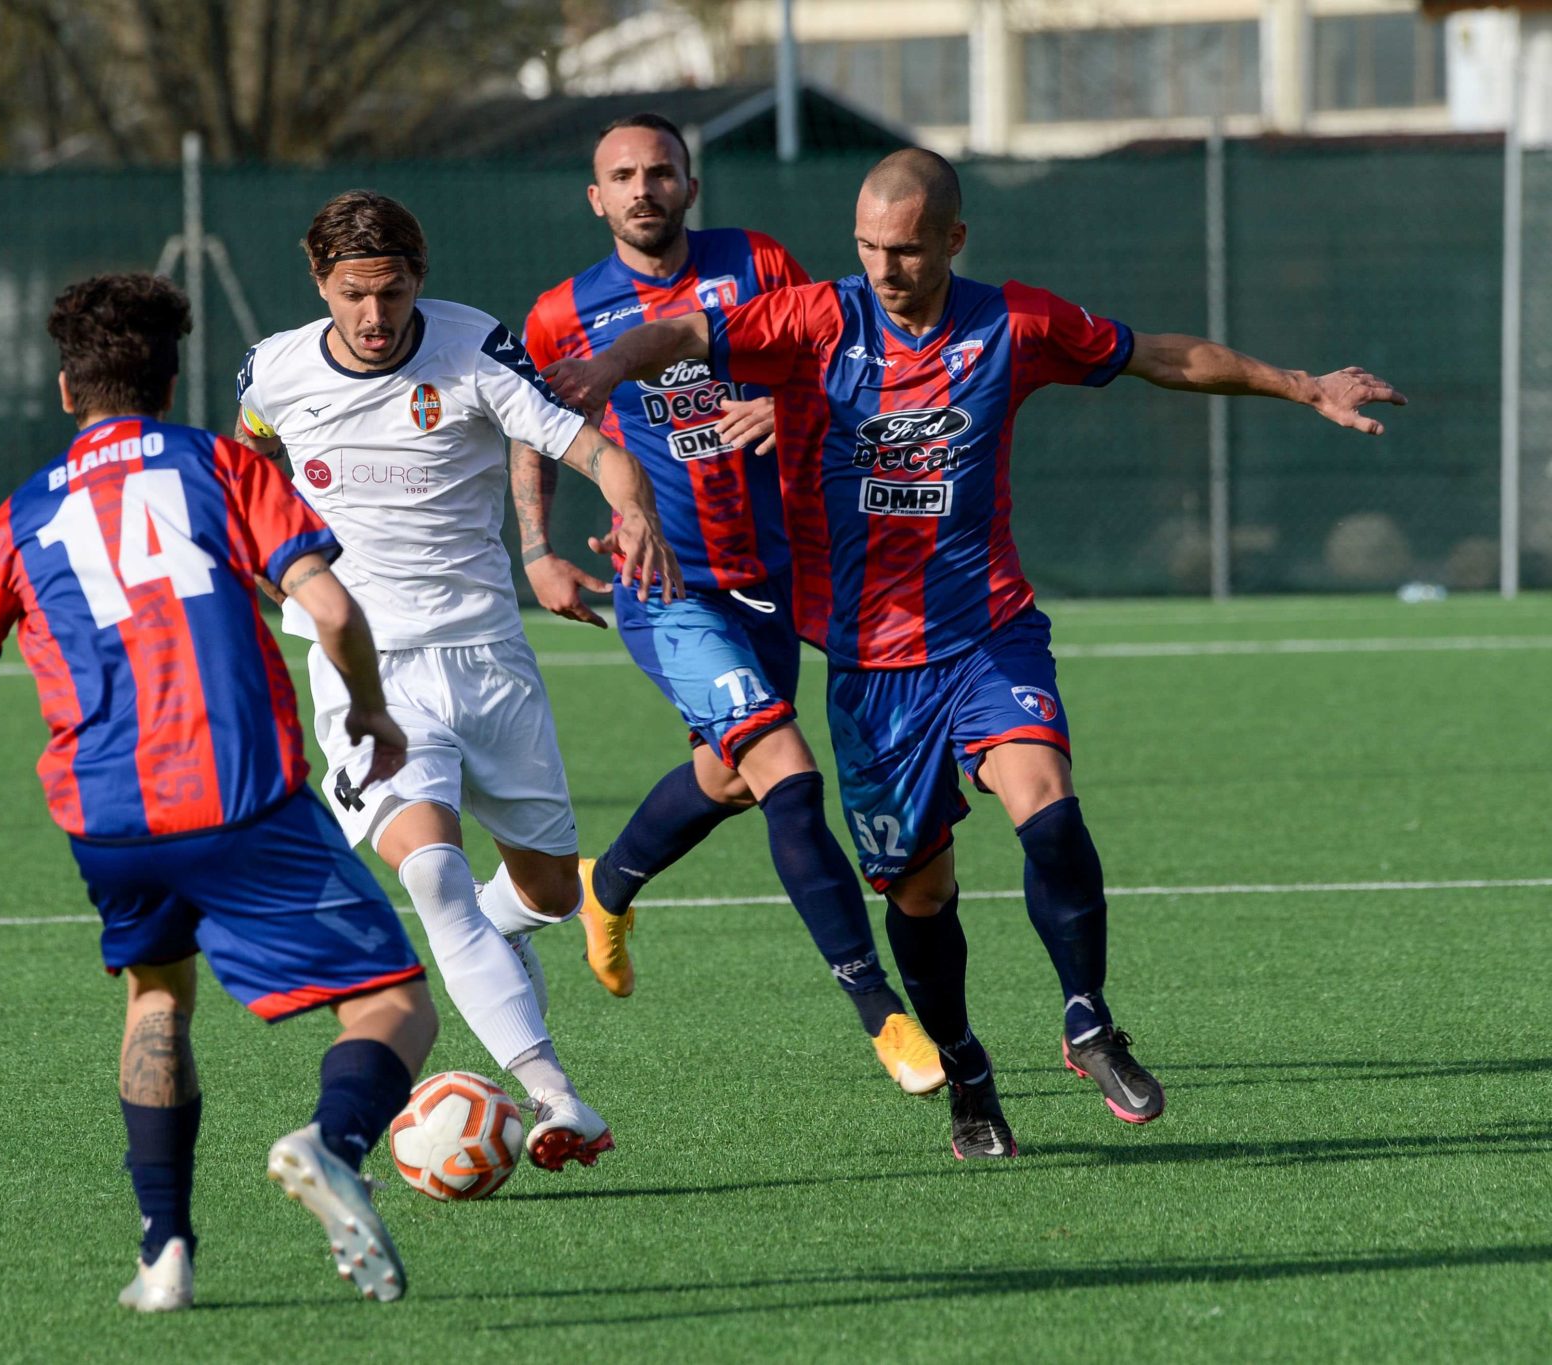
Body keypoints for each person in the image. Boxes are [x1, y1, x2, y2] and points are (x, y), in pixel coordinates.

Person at [543, 148, 1405, 1160]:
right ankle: (965, 1068)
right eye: (868, 247)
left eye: (906, 250)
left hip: (987, 629)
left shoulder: (1015, 324)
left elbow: (1159, 356)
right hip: (871, 666)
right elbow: (687, 330)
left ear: (953, 239)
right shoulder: (818, 320)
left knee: (1047, 805)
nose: (884, 268)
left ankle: (1087, 1019)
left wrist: (1299, 385)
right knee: (920, 892)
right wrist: (611, 364)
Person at [0, 273, 437, 1308]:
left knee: (157, 994)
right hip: (241, 796)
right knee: (393, 1004)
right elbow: (335, 613)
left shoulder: (13, 520)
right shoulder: (221, 464)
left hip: (110, 821)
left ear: (65, 390)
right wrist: (370, 710)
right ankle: (334, 1140)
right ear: (170, 382)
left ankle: (163, 1253)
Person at [233, 190, 681, 1173]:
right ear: (319, 284)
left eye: (392, 292)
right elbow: (249, 460)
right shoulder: (273, 369)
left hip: (486, 662)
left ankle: (495, 934)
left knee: (548, 895)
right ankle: (554, 1093)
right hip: (364, 669)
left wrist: (631, 512)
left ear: (419, 280)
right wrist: (266, 575)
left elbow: (593, 448)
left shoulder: (476, 348)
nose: (374, 315)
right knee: (433, 875)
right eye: (353, 294)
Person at [513, 114, 944, 1097]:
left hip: (773, 573)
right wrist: (535, 550)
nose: (643, 189)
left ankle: (607, 884)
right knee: (786, 771)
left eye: (660, 171)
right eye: (623, 175)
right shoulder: (561, 312)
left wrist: (787, 407)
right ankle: (881, 1014)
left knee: (733, 774)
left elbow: (842, 362)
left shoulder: (756, 263)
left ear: (689, 185)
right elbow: (530, 428)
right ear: (596, 198)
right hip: (665, 586)